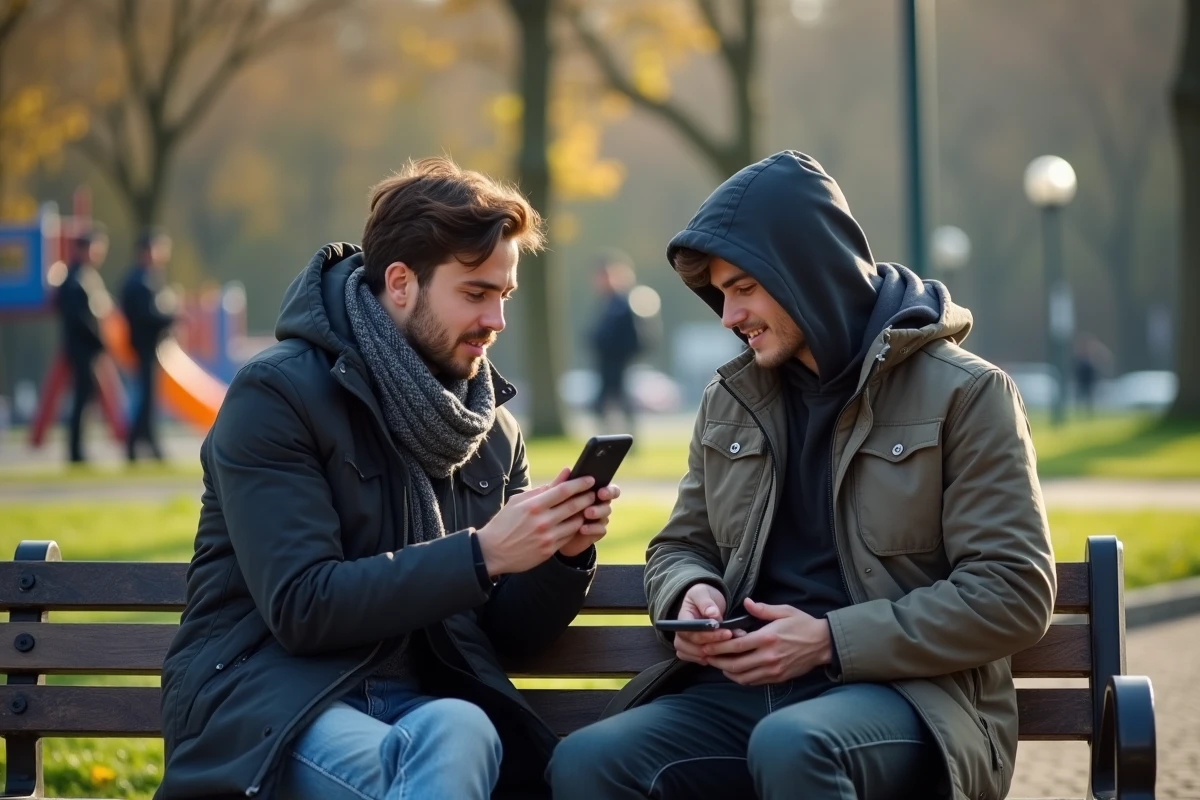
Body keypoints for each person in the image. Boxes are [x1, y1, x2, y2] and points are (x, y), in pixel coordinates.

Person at [550, 151, 1056, 800]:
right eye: (721, 294)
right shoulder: (730, 399)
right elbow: (680, 545)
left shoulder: (967, 393)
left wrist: (828, 641)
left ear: (806, 274)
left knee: (794, 745)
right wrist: (689, 592)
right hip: (739, 691)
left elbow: (1012, 591)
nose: (728, 316)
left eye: (743, 288)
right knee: (587, 761)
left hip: (910, 697)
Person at [157, 157, 621, 800]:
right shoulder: (277, 396)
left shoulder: (489, 430)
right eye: (475, 294)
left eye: (504, 295)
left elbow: (502, 637)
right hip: (277, 702)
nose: (497, 320)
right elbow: (302, 606)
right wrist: (483, 554)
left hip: (424, 704)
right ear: (401, 283)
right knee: (425, 758)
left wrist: (559, 554)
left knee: (463, 727)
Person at [120, 228, 176, 462]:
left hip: (151, 346)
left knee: (148, 398)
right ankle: (138, 445)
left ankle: (143, 445)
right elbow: (145, 315)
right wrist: (171, 317)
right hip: (144, 346)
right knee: (145, 399)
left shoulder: (150, 278)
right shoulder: (138, 281)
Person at [55, 226, 109, 464]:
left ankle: (79, 448)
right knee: (80, 399)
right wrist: (99, 340)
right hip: (81, 348)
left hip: (88, 348)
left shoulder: (87, 275)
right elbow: (78, 318)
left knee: (85, 399)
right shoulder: (75, 278)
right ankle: (75, 450)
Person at [589, 251, 642, 434]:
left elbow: (633, 337)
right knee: (606, 405)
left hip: (619, 364)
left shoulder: (622, 304)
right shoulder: (607, 303)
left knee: (620, 404)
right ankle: (611, 437)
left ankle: (625, 438)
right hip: (607, 364)